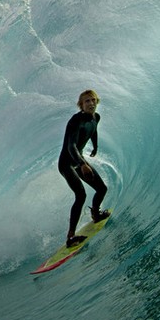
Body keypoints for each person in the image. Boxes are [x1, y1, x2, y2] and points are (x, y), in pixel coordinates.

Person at [58, 89, 110, 247]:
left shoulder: (96, 117)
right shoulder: (76, 120)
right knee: (80, 195)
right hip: (67, 163)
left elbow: (93, 131)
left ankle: (96, 214)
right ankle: (71, 237)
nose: (91, 103)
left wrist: (95, 147)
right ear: (81, 105)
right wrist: (82, 164)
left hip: (79, 162)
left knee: (101, 189)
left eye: (93, 100)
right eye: (87, 101)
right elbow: (71, 146)